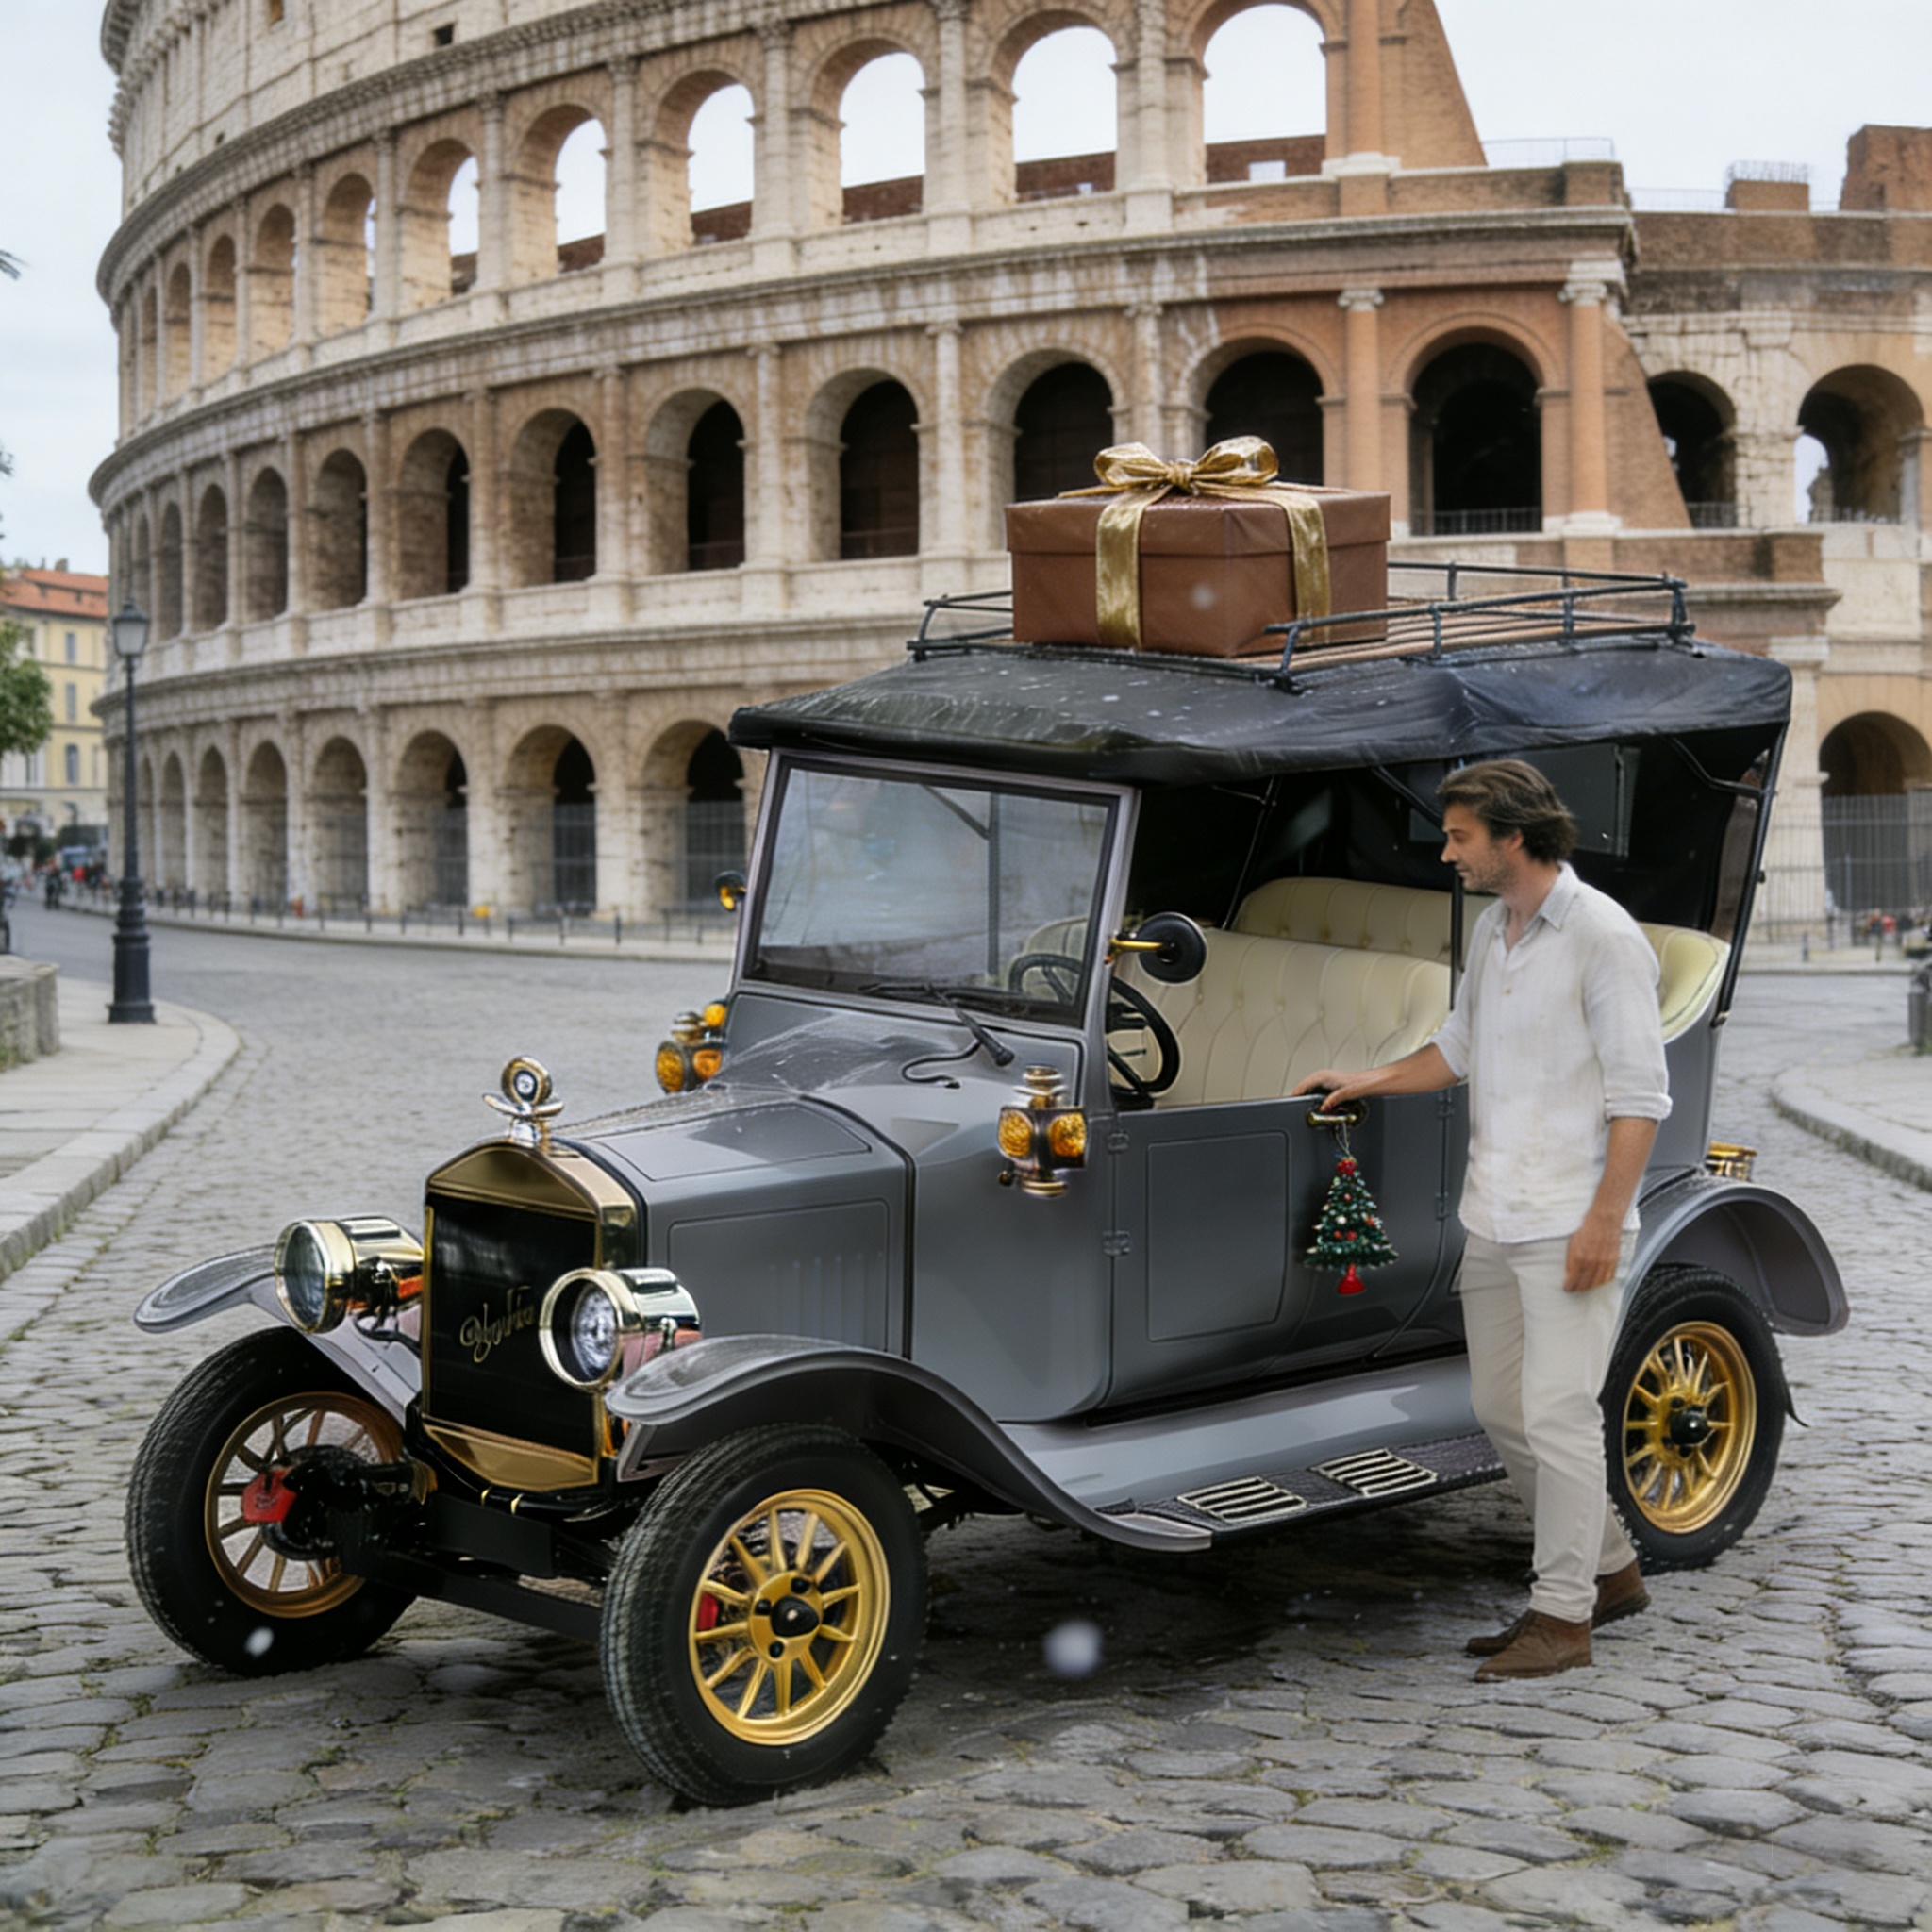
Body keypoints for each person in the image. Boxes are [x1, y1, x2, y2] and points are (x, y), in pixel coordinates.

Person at [1293, 759, 1670, 1680]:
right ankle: (1612, 1567)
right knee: (1501, 1407)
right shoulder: (1495, 934)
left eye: (1459, 835)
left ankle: (1561, 1614)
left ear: (1512, 836)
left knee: (1555, 1411)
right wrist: (1365, 1078)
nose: (1445, 851)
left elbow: (1640, 1097)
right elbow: (1456, 1047)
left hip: (1567, 1219)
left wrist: (1600, 1221)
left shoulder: (1600, 936)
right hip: (1493, 1213)